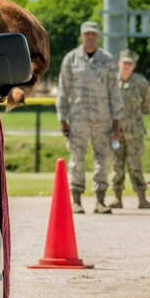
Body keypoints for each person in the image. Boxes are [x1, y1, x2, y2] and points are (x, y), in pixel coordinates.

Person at [56, 20, 123, 214]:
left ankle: (100, 200)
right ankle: (76, 199)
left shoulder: (107, 60)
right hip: (78, 118)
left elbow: (114, 91)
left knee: (103, 159)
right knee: (77, 159)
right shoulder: (71, 59)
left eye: (93, 34)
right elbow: (63, 89)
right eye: (87, 34)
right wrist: (62, 118)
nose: (90, 37)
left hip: (103, 119)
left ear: (98, 36)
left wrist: (116, 123)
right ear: (81, 36)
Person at [107, 49, 150, 209]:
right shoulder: (111, 82)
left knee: (136, 165)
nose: (126, 66)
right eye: (124, 63)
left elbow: (148, 105)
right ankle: (117, 198)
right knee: (117, 166)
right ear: (119, 63)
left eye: (130, 63)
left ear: (133, 66)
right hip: (115, 132)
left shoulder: (141, 83)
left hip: (134, 133)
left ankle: (142, 199)